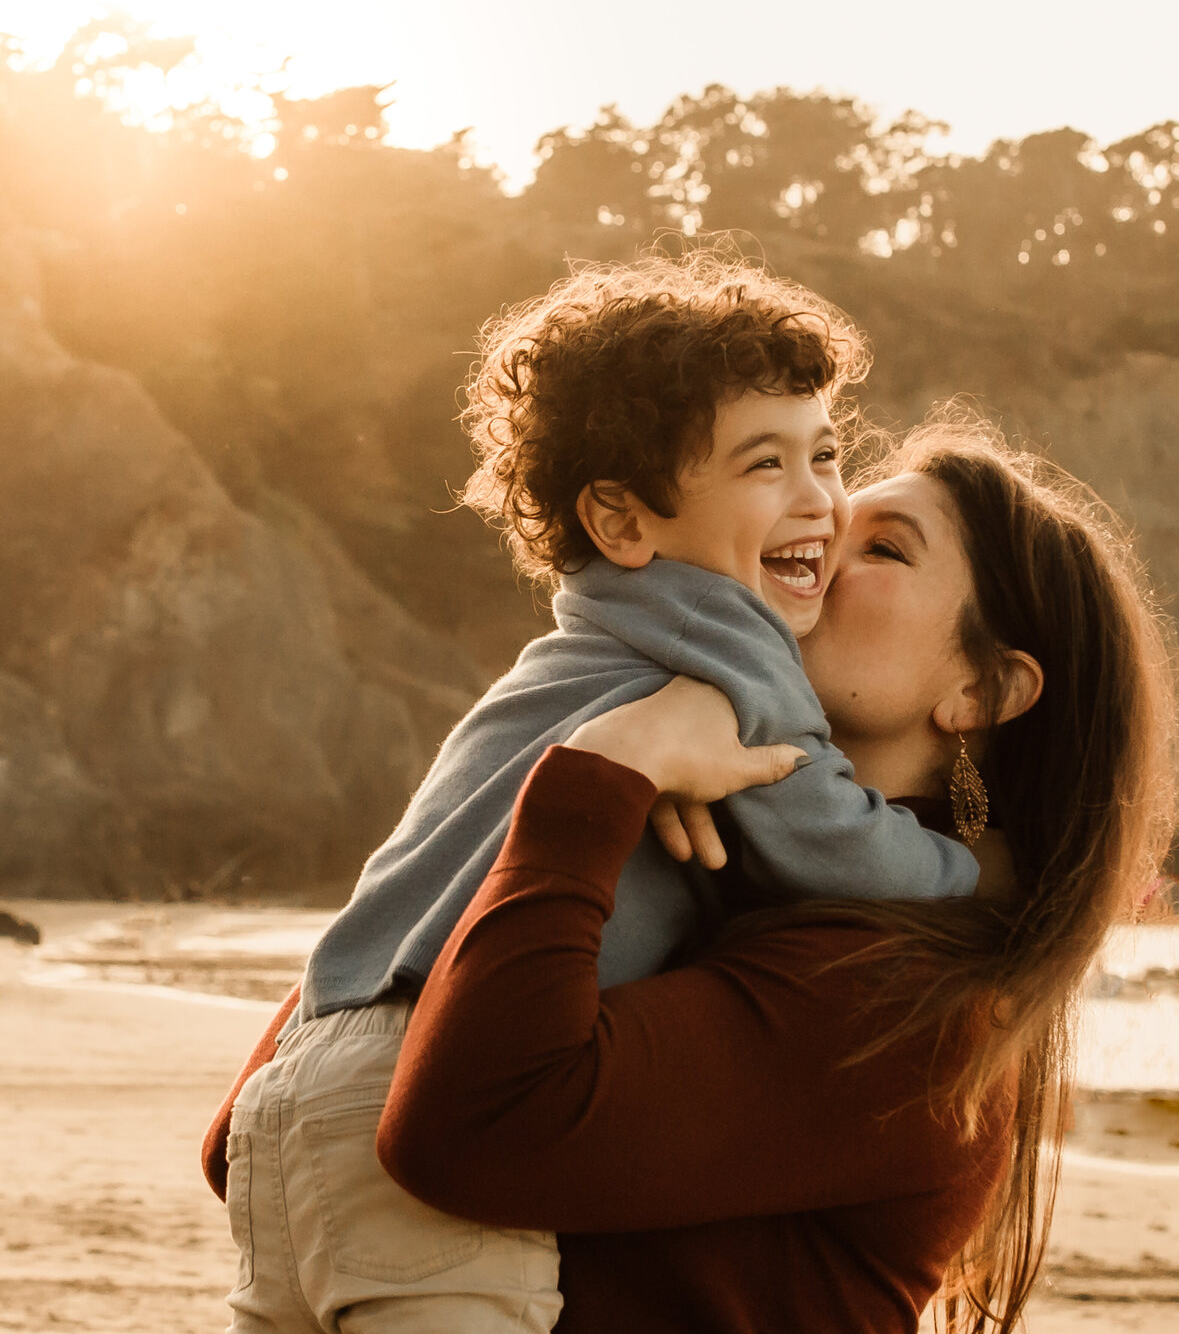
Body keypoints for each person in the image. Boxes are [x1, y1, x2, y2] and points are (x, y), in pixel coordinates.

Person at [205, 258, 984, 1329]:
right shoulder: (725, 647)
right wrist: (966, 872)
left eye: (827, 452)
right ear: (622, 520)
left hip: (296, 1077)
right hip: (424, 1096)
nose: (822, 503)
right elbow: (822, 832)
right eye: (766, 464)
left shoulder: (566, 658)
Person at [373, 417, 1179, 1333]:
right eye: (840, 513)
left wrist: (608, 768)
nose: (819, 540)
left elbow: (466, 1126)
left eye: (883, 548)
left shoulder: (902, 998)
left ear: (983, 693)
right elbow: (283, 1120)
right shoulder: (729, 876)